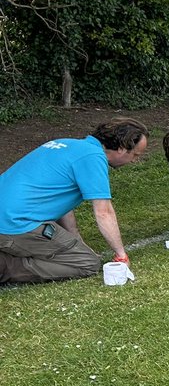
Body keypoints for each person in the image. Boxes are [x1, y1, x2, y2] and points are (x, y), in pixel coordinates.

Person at [0, 119, 147, 284]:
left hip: (9, 217)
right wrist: (121, 255)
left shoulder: (66, 144)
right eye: (135, 155)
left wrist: (76, 239)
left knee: (76, 252)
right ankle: (5, 266)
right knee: (87, 263)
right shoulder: (93, 157)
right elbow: (103, 212)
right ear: (121, 149)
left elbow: (60, 198)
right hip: (13, 223)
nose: (135, 160)